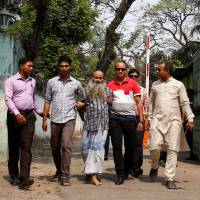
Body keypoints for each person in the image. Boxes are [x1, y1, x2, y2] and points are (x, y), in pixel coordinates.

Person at [147, 61, 194, 189]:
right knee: (154, 147)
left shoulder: (178, 85)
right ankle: (155, 166)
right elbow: (151, 103)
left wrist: (190, 118)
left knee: (172, 149)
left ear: (167, 71)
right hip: (157, 119)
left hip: (174, 120)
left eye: (159, 69)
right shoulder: (155, 85)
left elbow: (184, 103)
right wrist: (149, 117)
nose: (157, 72)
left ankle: (169, 178)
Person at [42, 55, 84, 186]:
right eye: (62, 66)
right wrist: (44, 119)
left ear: (70, 67)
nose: (64, 68)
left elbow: (84, 98)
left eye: (66, 66)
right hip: (54, 119)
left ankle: (65, 175)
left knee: (66, 145)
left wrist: (80, 104)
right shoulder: (51, 82)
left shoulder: (76, 83)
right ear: (58, 67)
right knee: (55, 147)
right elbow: (47, 100)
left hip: (69, 118)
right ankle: (59, 171)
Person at [5, 57, 43, 189]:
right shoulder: (11, 81)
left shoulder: (33, 81)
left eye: (32, 66)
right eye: (29, 66)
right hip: (15, 116)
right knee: (14, 146)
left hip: (29, 116)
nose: (32, 68)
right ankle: (14, 176)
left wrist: (39, 111)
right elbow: (8, 99)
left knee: (26, 146)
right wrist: (17, 114)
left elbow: (32, 99)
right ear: (21, 66)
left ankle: (24, 178)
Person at [107, 61, 144, 185]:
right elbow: (107, 101)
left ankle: (126, 169)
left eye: (123, 69)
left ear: (126, 70)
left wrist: (141, 120)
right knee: (117, 147)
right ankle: (120, 173)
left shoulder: (133, 83)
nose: (120, 71)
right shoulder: (110, 85)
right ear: (115, 70)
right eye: (118, 69)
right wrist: (109, 101)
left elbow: (139, 103)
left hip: (130, 119)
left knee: (131, 147)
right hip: (115, 119)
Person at [81, 70, 112, 186]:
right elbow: (79, 105)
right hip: (89, 125)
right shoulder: (85, 91)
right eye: (96, 78)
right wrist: (85, 117)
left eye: (100, 78)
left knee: (97, 151)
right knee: (85, 150)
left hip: (103, 125)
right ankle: (90, 173)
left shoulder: (108, 91)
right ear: (92, 77)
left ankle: (93, 175)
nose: (98, 80)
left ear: (104, 79)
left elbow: (111, 105)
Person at [128, 68, 147, 177]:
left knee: (138, 143)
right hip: (128, 119)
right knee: (129, 143)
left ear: (138, 77)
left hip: (139, 118)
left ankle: (136, 166)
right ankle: (131, 165)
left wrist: (145, 120)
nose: (133, 78)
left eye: (135, 76)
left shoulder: (143, 90)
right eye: (131, 76)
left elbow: (146, 106)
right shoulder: (125, 90)